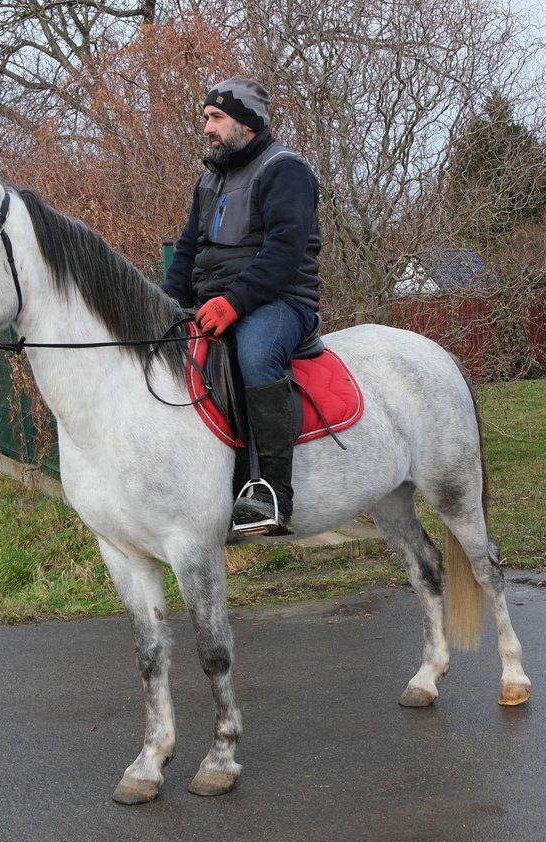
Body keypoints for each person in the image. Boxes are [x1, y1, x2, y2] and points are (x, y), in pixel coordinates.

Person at [162, 76, 322, 536]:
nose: (207, 128)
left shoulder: (285, 170)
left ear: (246, 125)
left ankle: (273, 494)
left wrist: (234, 303)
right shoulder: (210, 179)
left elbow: (285, 250)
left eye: (216, 118)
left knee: (255, 356)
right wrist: (165, 308)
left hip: (279, 302)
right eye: (206, 118)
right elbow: (187, 251)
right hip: (215, 302)